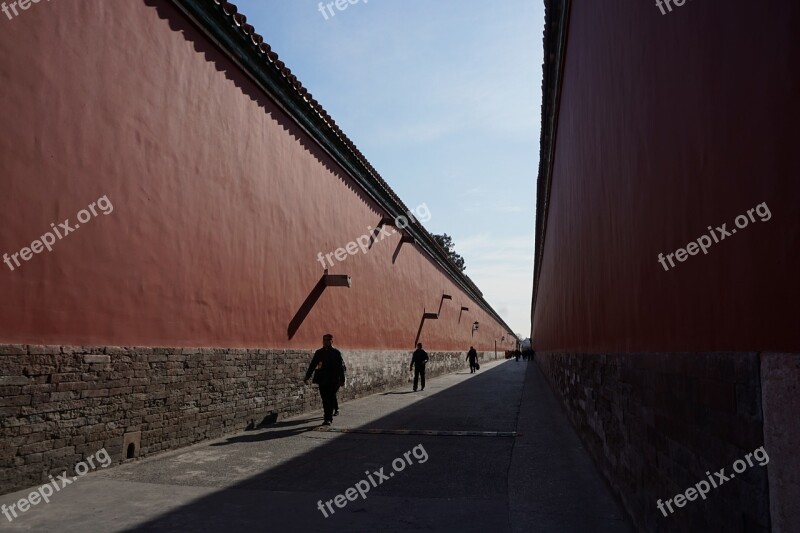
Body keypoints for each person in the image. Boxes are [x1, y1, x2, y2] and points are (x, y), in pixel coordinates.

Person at [304, 334, 346, 426]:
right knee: (324, 399)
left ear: (332, 341)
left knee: (330, 399)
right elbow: (313, 364)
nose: (326, 342)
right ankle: (327, 416)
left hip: (333, 380)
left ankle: (328, 419)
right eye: (324, 340)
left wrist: (342, 380)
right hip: (322, 379)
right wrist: (307, 376)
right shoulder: (319, 352)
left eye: (328, 340)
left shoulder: (336, 353)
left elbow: (340, 368)